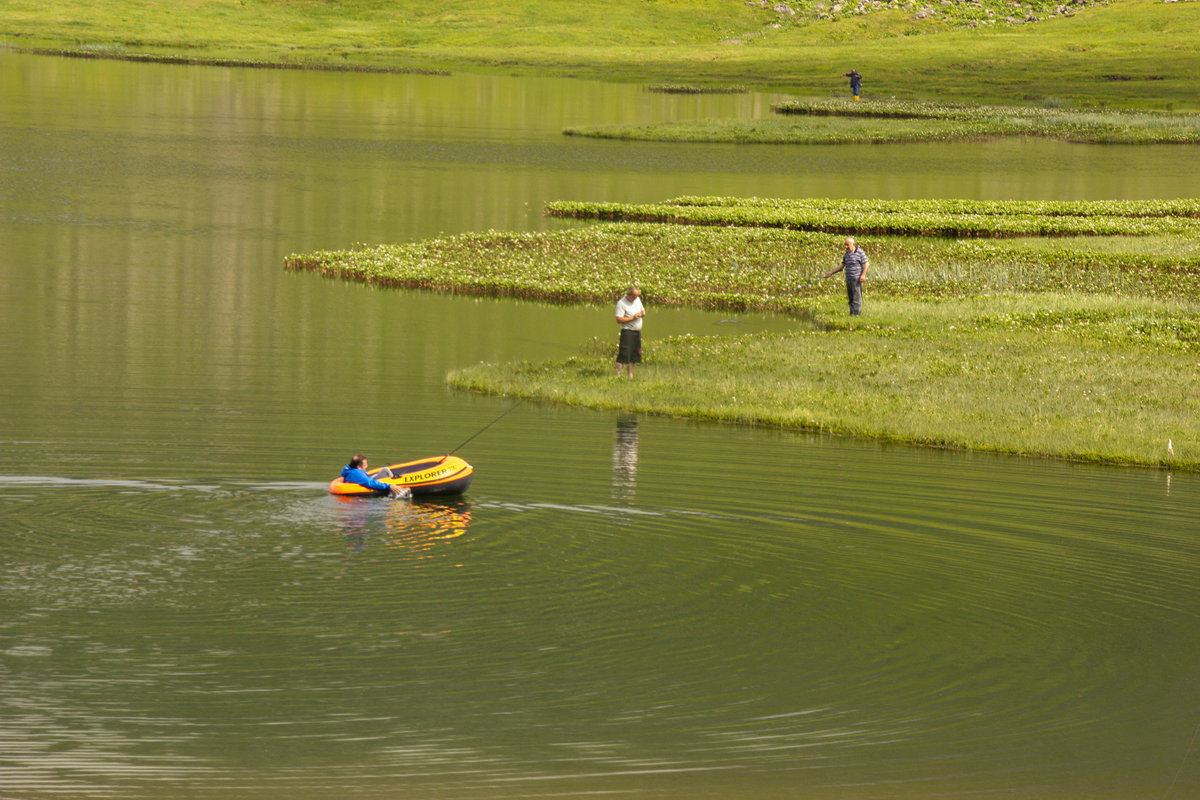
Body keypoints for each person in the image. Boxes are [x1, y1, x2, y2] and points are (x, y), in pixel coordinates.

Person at [825, 237, 869, 315]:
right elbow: (842, 266)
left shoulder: (860, 252)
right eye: (845, 245)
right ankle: (852, 314)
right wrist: (831, 272)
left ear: (853, 244)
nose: (846, 247)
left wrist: (863, 275)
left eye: (847, 245)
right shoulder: (847, 254)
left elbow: (866, 263)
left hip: (857, 278)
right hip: (848, 278)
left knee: (856, 298)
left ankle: (856, 315)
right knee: (850, 298)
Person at [614, 285, 645, 379]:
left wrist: (642, 313)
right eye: (634, 296)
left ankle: (630, 376)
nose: (636, 298)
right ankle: (617, 376)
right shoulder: (621, 303)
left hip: (637, 331)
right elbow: (618, 319)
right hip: (627, 331)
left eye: (637, 296)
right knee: (623, 354)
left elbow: (643, 311)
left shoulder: (637, 300)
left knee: (634, 355)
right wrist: (633, 317)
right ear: (629, 294)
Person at [342, 454, 407, 497]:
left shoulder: (348, 469)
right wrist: (389, 486)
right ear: (359, 467)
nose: (367, 466)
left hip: (357, 484)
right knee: (385, 469)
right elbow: (370, 483)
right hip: (364, 489)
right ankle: (396, 486)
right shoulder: (357, 474)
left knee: (381, 472)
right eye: (365, 465)